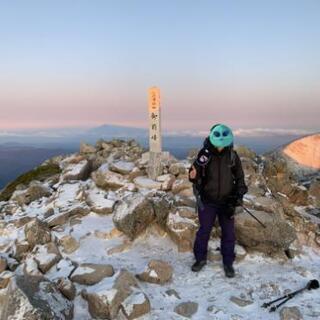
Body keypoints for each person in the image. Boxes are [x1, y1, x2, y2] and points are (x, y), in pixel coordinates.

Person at [188, 123, 248, 278]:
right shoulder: (205, 154)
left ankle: (228, 263)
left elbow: (240, 179)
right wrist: (192, 175)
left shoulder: (232, 156)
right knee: (204, 231)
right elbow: (194, 174)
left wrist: (237, 198)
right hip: (208, 201)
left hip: (227, 202)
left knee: (229, 233)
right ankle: (200, 259)